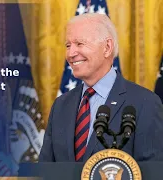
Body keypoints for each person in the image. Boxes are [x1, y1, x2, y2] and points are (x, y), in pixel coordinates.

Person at [39, 13, 163, 163]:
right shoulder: (60, 105)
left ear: (107, 47)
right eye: (68, 45)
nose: (71, 54)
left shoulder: (145, 103)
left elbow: (153, 172)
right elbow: (45, 171)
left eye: (79, 44)